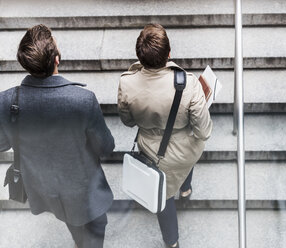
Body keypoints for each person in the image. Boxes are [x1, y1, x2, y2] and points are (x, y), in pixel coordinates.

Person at [0, 24, 115, 248]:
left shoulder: (7, 101)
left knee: (71, 221)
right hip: (83, 191)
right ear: (57, 60)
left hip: (43, 187)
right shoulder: (82, 100)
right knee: (95, 228)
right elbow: (105, 147)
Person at [118, 23, 213, 248]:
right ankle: (186, 189)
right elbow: (203, 131)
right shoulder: (187, 83)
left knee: (164, 198)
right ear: (169, 54)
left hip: (151, 151)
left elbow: (127, 121)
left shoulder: (127, 82)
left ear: (140, 57)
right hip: (184, 151)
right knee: (187, 154)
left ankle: (172, 242)